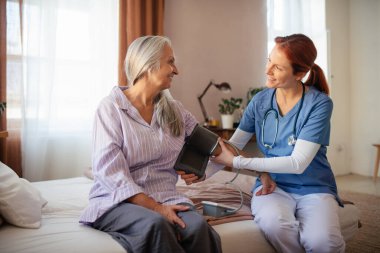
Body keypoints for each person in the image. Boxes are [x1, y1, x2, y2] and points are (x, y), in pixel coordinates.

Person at [197, 34, 345, 253]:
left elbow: (298, 163)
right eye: (269, 60)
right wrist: (200, 174)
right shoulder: (260, 101)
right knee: (275, 225)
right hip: (272, 187)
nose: (267, 70)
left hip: (314, 188)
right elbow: (233, 146)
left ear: (300, 74)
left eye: (278, 67)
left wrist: (237, 161)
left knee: (322, 242)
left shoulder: (319, 104)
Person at [79, 35, 222, 253]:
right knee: (157, 225)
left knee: (197, 227)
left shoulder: (174, 110)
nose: (176, 70)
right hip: (118, 202)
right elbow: (110, 174)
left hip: (166, 196)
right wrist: (157, 208)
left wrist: (205, 171)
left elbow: (213, 145)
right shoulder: (110, 109)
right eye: (171, 62)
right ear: (148, 65)